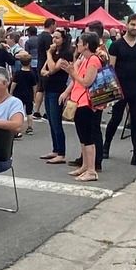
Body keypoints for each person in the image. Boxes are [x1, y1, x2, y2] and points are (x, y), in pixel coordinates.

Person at [103, 14, 136, 170]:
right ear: (127, 25)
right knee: (116, 118)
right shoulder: (116, 45)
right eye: (132, 24)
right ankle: (106, 146)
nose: (135, 27)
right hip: (120, 87)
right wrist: (110, 91)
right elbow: (110, 68)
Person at [64, 30, 106, 182]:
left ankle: (91, 169)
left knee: (88, 137)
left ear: (87, 45)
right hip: (79, 101)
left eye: (80, 43)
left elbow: (87, 82)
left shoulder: (93, 60)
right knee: (83, 136)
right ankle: (85, 165)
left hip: (87, 102)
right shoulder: (85, 59)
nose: (77, 45)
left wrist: (72, 73)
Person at [38, 29, 72, 165]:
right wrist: (49, 62)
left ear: (63, 39)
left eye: (57, 38)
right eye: (53, 38)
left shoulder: (66, 54)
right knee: (51, 121)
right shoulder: (54, 53)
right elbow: (43, 70)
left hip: (57, 90)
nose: (54, 40)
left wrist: (48, 53)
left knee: (57, 121)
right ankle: (55, 149)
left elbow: (52, 69)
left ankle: (61, 152)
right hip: (48, 88)